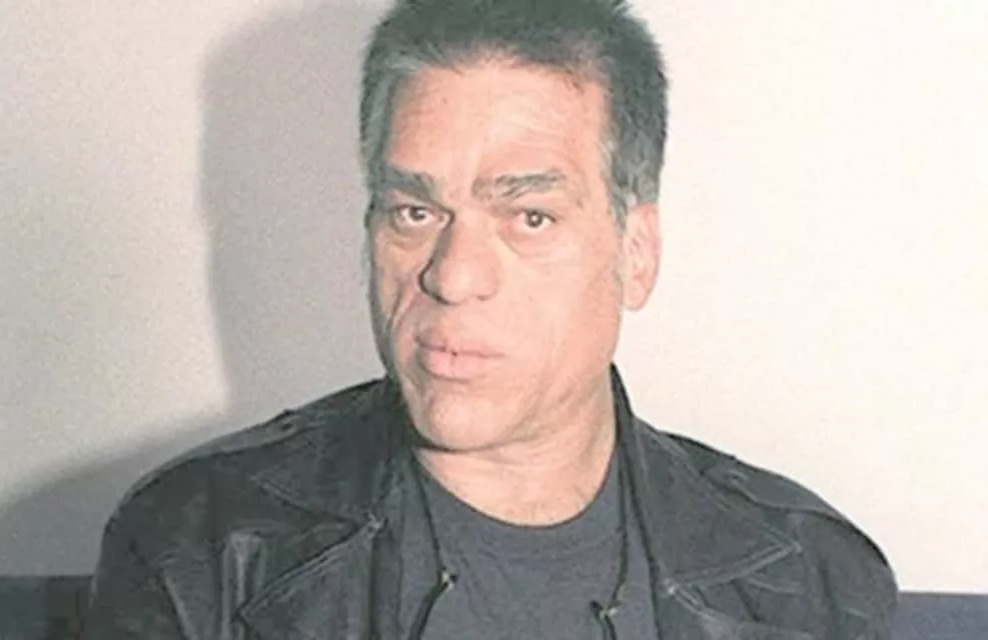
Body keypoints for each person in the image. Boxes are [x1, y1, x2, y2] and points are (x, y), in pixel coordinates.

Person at [83, 0, 898, 637]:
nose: (452, 274)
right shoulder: (196, 549)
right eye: (414, 212)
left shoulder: (812, 582)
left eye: (529, 217)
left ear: (636, 253)